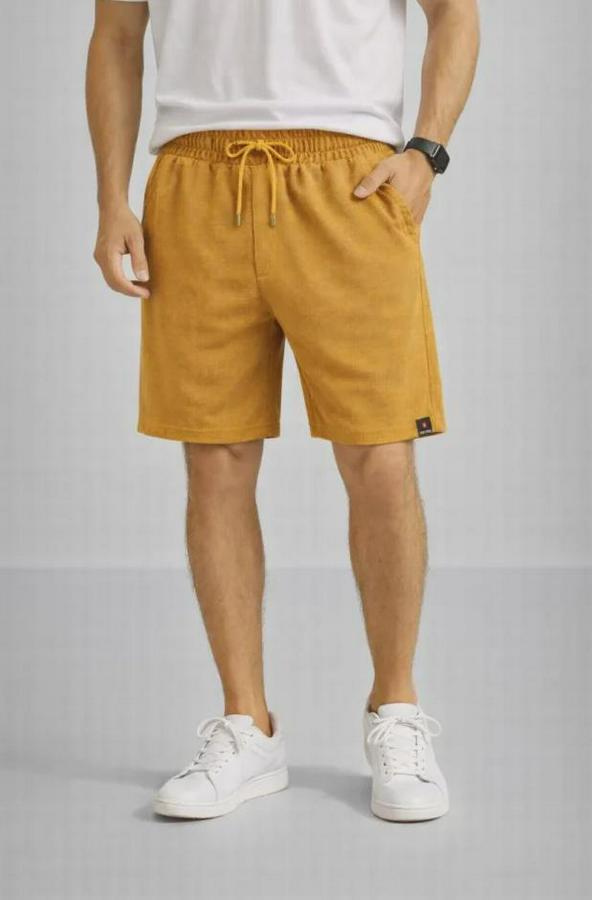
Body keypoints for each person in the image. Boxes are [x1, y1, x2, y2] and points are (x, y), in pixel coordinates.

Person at [86, 0, 479, 822]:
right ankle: (247, 726)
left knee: (380, 455)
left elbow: (455, 12)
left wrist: (427, 151)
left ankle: (396, 711)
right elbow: (117, 35)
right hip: (194, 180)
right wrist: (110, 199)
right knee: (215, 459)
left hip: (350, 181)